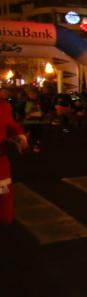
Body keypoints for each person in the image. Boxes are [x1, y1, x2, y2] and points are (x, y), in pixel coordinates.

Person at [0, 95, 28, 225]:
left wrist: (20, 138)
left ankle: (4, 216)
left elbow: (12, 126)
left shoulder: (3, 107)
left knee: (2, 191)